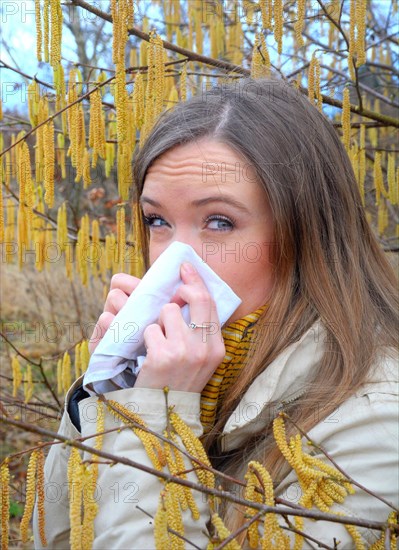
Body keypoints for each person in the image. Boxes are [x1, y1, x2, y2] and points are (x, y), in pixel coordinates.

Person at [34, 77, 398, 548]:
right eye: (157, 221)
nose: (174, 261)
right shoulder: (182, 373)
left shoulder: (377, 424)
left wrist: (156, 413)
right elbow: (62, 537)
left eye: (219, 222)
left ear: (305, 236)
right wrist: (110, 389)